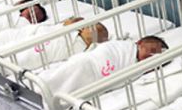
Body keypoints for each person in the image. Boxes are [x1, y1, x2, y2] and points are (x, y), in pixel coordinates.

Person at [39, 35, 168, 95]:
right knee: (60, 77)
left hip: (94, 80)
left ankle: (45, 96)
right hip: (89, 64)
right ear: (139, 43)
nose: (151, 56)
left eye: (155, 56)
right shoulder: (126, 47)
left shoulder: (138, 67)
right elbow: (107, 50)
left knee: (68, 91)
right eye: (151, 50)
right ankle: (39, 88)